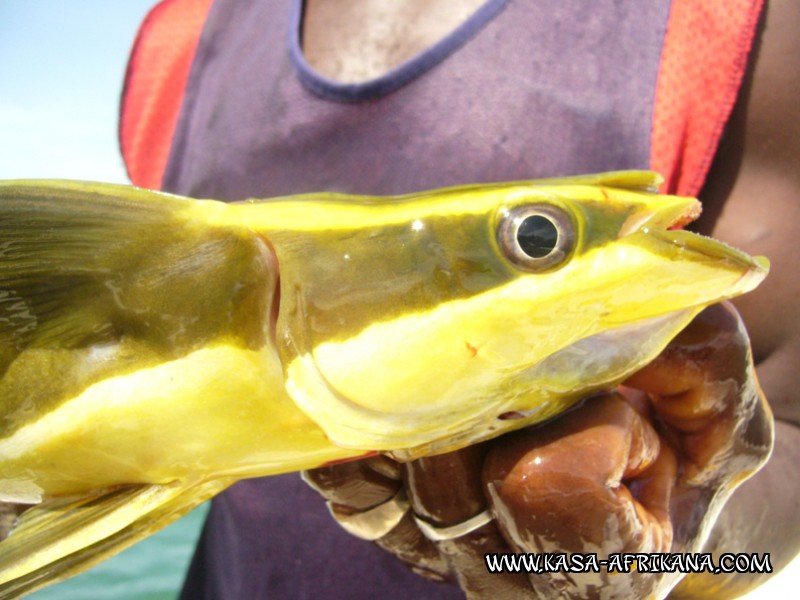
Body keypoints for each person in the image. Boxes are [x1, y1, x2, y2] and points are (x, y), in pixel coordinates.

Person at [119, 0, 799, 597]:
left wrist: (679, 547)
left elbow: (789, 436)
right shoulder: (175, 44)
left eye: (537, 237)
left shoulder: (736, 23)